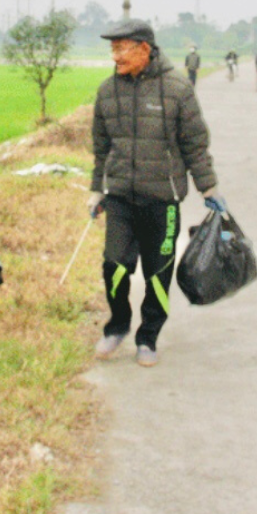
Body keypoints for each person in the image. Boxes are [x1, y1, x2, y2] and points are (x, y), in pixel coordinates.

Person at [88, 19, 225, 368]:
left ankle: (148, 336)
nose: (115, 56)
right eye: (112, 49)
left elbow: (195, 144)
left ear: (144, 49)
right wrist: (95, 189)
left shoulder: (177, 88)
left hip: (162, 201)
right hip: (119, 197)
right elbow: (101, 148)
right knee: (114, 266)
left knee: (157, 272)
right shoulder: (107, 91)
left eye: (121, 48)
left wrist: (208, 186)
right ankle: (117, 325)